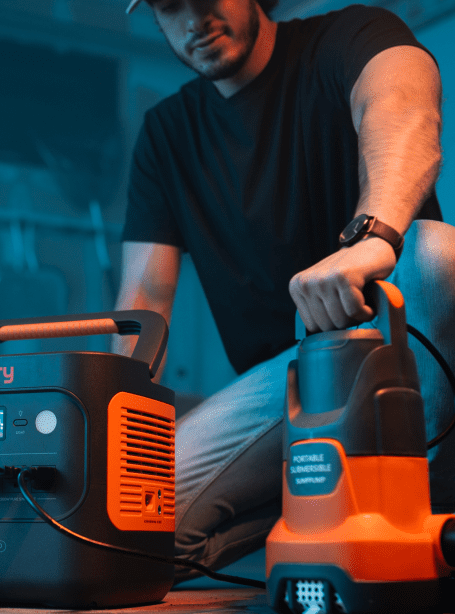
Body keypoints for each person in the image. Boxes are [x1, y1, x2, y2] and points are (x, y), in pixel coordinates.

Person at [117, 0, 455, 582]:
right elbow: (143, 302)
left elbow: (404, 105)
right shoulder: (167, 133)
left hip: (399, 341)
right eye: (171, 7)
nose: (194, 20)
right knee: (125, 522)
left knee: (436, 252)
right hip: (290, 387)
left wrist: (372, 238)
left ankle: (404, 525)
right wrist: (102, 439)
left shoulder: (351, 35)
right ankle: (317, 514)